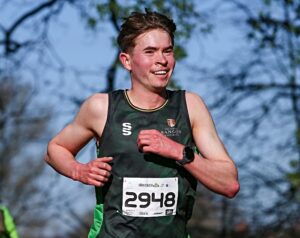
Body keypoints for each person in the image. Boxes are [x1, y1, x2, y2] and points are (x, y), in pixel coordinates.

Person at [45, 9, 240, 238]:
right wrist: (79, 170)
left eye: (167, 51)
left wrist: (178, 151)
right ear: (126, 61)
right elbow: (54, 150)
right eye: (150, 51)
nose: (162, 60)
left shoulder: (190, 106)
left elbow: (229, 183)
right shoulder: (102, 107)